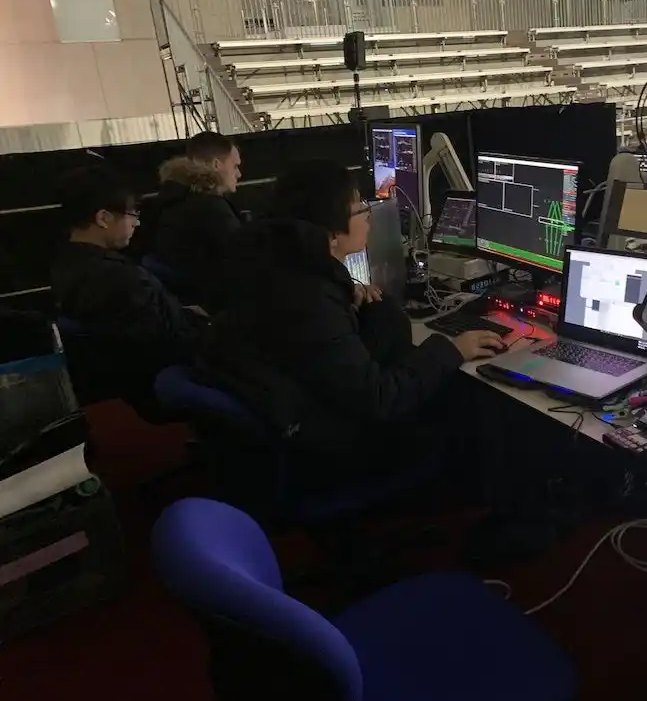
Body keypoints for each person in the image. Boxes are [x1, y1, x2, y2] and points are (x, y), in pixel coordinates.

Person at [201, 162, 505, 493]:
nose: (367, 215)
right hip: (330, 454)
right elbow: (379, 398)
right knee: (469, 408)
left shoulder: (277, 268)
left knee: (393, 326)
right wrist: (452, 349)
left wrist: (345, 295)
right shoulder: (308, 301)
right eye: (360, 208)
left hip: (302, 418)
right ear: (331, 234)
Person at [51, 165, 207, 408]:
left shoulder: (70, 265)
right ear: (103, 218)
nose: (137, 223)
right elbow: (163, 344)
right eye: (132, 214)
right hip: (159, 387)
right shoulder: (114, 278)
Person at [155, 131, 243, 310]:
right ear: (217, 165)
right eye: (235, 166)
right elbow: (243, 259)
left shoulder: (172, 199)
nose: (239, 174)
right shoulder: (211, 209)